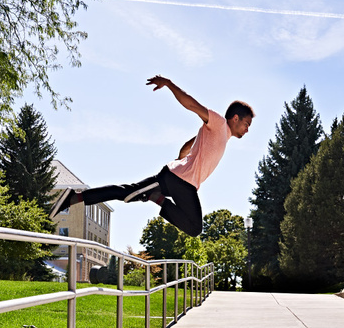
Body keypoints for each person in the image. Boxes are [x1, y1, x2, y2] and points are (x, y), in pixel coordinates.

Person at [50, 76, 254, 237]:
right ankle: (155, 199)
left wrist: (182, 157)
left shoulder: (221, 135)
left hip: (179, 180)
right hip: (180, 181)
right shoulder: (218, 122)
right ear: (235, 118)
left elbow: (190, 145)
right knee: (192, 226)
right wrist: (169, 84)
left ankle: (76, 197)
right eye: (246, 124)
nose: (246, 130)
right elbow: (191, 105)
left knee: (128, 194)